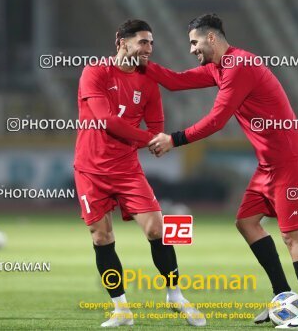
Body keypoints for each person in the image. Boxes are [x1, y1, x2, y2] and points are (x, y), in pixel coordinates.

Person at [146, 13, 298, 329]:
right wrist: (139, 64)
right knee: (246, 222)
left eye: (194, 42)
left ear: (211, 38)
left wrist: (173, 139)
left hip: (290, 159)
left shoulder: (239, 66)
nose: (191, 50)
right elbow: (175, 81)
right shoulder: (219, 67)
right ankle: (284, 295)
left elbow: (216, 120)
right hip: (269, 164)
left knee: (293, 234)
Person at [74, 19, 205, 327]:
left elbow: (156, 124)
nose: (149, 49)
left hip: (127, 169)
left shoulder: (148, 82)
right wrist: (151, 140)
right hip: (90, 170)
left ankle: (175, 295)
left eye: (151, 44)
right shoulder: (94, 72)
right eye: (143, 42)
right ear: (121, 41)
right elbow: (106, 120)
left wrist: (159, 141)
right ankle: (121, 309)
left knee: (157, 229)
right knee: (101, 237)